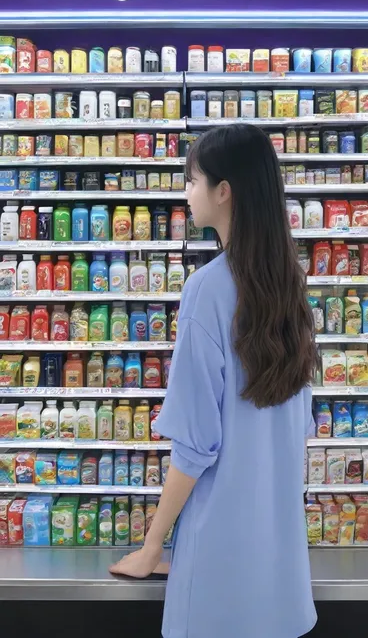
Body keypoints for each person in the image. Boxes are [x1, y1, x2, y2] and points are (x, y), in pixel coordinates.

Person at [110, 124, 317, 638]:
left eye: (192, 179)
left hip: (219, 573)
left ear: (223, 191)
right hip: (281, 577)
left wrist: (153, 546)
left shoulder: (207, 290)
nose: (186, 191)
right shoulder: (289, 285)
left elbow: (195, 446)